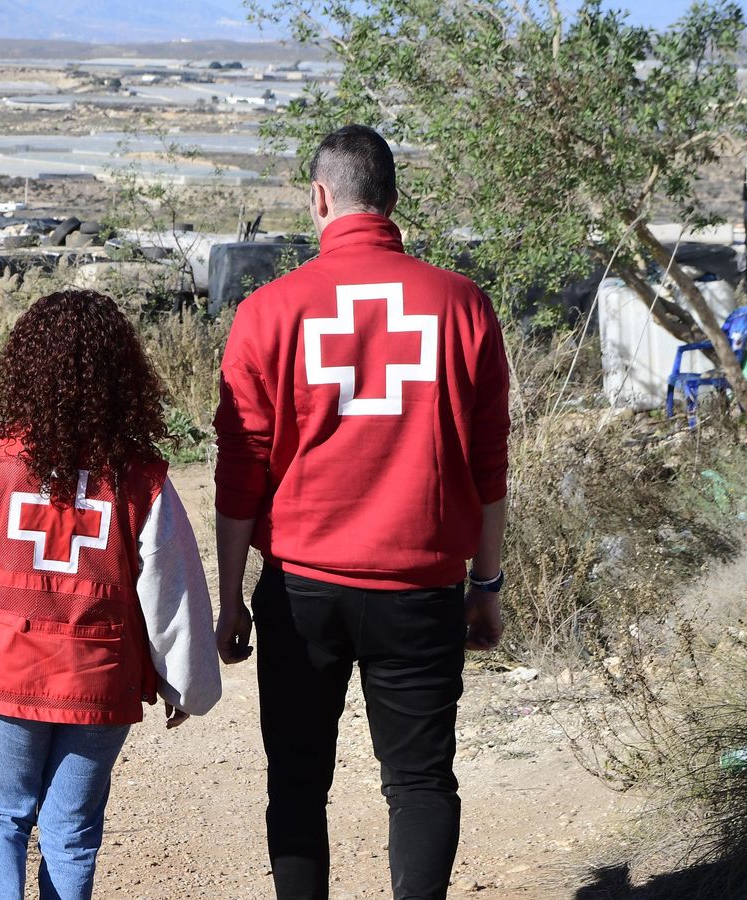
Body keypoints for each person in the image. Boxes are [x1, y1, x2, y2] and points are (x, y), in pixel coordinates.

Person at [213, 125, 510, 900]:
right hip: (420, 591)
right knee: (419, 784)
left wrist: (228, 599)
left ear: (319, 198)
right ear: (394, 200)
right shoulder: (462, 304)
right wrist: (488, 583)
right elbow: (488, 470)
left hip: (302, 589)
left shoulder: (267, 311)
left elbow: (240, 472)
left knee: (299, 785)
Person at [0, 289, 221, 900]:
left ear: (27, 364)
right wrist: (186, 684)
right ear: (122, 373)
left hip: (8, 668)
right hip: (97, 679)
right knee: (73, 833)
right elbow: (172, 591)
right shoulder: (141, 477)